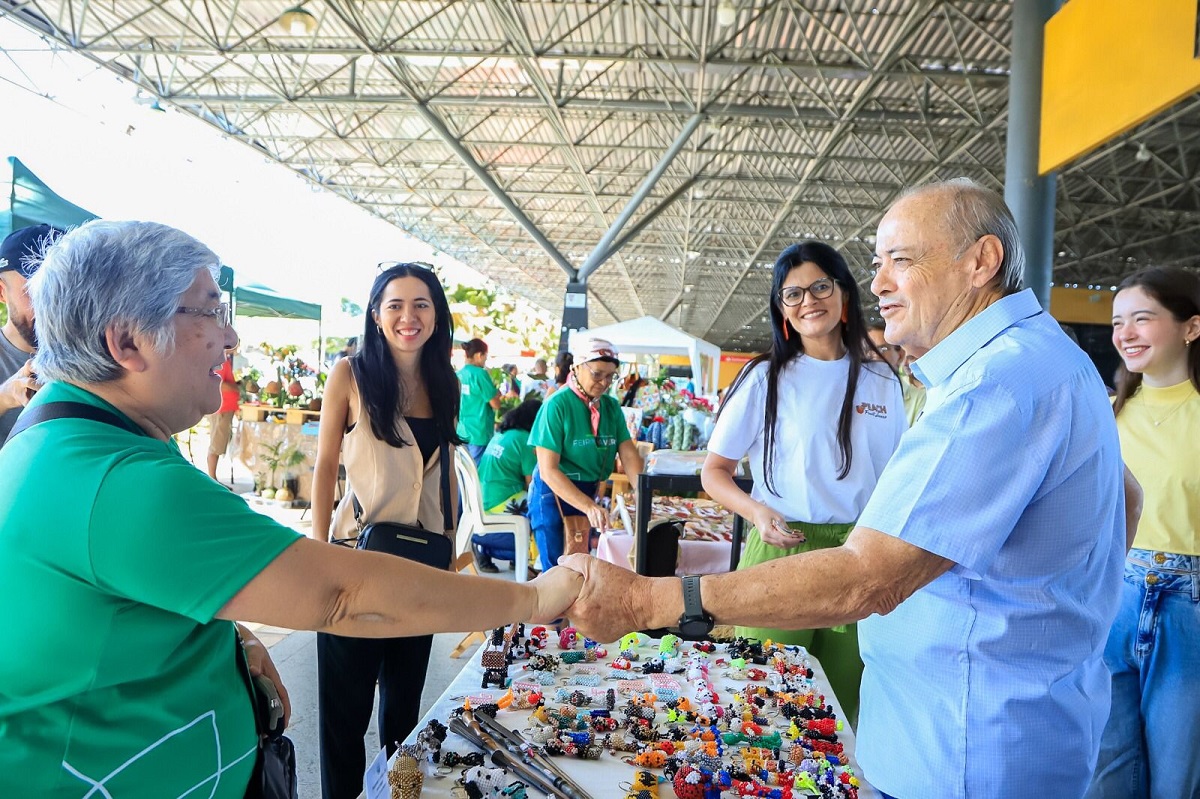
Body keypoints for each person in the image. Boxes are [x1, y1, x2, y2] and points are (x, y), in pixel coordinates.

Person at [559, 179, 1137, 798]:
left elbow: (870, 577)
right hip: (990, 720)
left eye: (901, 260)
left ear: (981, 261)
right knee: (764, 711)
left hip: (964, 750)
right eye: (876, 263)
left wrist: (648, 602)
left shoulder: (992, 384)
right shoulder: (1039, 362)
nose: (881, 282)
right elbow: (1125, 498)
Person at [0, 221, 581, 799]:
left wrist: (233, 636)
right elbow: (342, 596)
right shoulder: (119, 481)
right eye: (208, 311)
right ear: (126, 341)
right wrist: (534, 598)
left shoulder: (73, 436)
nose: (230, 338)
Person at [701, 241, 905, 723]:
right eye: (792, 294)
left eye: (819, 287)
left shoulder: (882, 381)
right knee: (764, 703)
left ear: (843, 296)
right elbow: (715, 471)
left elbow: (896, 473)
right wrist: (756, 511)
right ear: (782, 309)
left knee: (839, 708)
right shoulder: (764, 378)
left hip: (859, 556)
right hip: (781, 551)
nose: (808, 301)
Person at [310, 264, 463, 798]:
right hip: (358, 564)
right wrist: (318, 546)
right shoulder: (349, 376)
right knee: (344, 719)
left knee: (402, 716)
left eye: (421, 304)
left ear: (436, 315)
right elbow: (326, 464)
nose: (408, 316)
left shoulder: (447, 383)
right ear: (376, 315)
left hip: (419, 569)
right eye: (395, 304)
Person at [1087, 267, 1200, 799]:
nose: (1125, 333)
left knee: (1177, 777)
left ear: (1191, 327)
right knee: (1105, 769)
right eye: (1117, 322)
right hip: (1113, 597)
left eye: (1142, 318)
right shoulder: (1107, 415)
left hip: (1189, 612)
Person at [527, 338, 644, 572]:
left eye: (611, 377)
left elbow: (629, 455)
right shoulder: (556, 405)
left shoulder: (610, 407)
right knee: (557, 572)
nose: (604, 383)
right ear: (577, 367)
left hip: (588, 492)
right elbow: (549, 470)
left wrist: (643, 493)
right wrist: (589, 507)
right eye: (598, 374)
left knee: (580, 566)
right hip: (554, 494)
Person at [0, 223, 64, 445]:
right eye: (33, 291)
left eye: (59, 289)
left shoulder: (93, 354)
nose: (47, 306)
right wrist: (5, 397)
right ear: (1, 291)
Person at [473, 397, 542, 573]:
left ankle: (514, 556)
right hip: (500, 502)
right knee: (544, 506)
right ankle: (531, 560)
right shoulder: (526, 440)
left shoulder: (502, 434)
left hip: (481, 500)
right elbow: (532, 484)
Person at [867, 320, 925, 426]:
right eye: (866, 349)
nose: (874, 355)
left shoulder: (918, 398)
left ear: (900, 354)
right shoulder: (850, 394)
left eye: (882, 349)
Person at [456, 337, 500, 464]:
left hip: (461, 431)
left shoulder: (458, 374)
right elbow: (495, 404)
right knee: (475, 475)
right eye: (485, 356)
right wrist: (497, 396)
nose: (485, 360)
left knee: (464, 473)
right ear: (479, 355)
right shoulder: (480, 374)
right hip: (479, 432)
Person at [205, 345, 240, 482]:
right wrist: (237, 387)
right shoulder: (220, 361)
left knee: (220, 443)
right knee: (216, 443)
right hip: (221, 408)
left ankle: (213, 477)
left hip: (227, 407)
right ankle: (212, 478)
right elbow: (220, 384)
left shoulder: (228, 361)